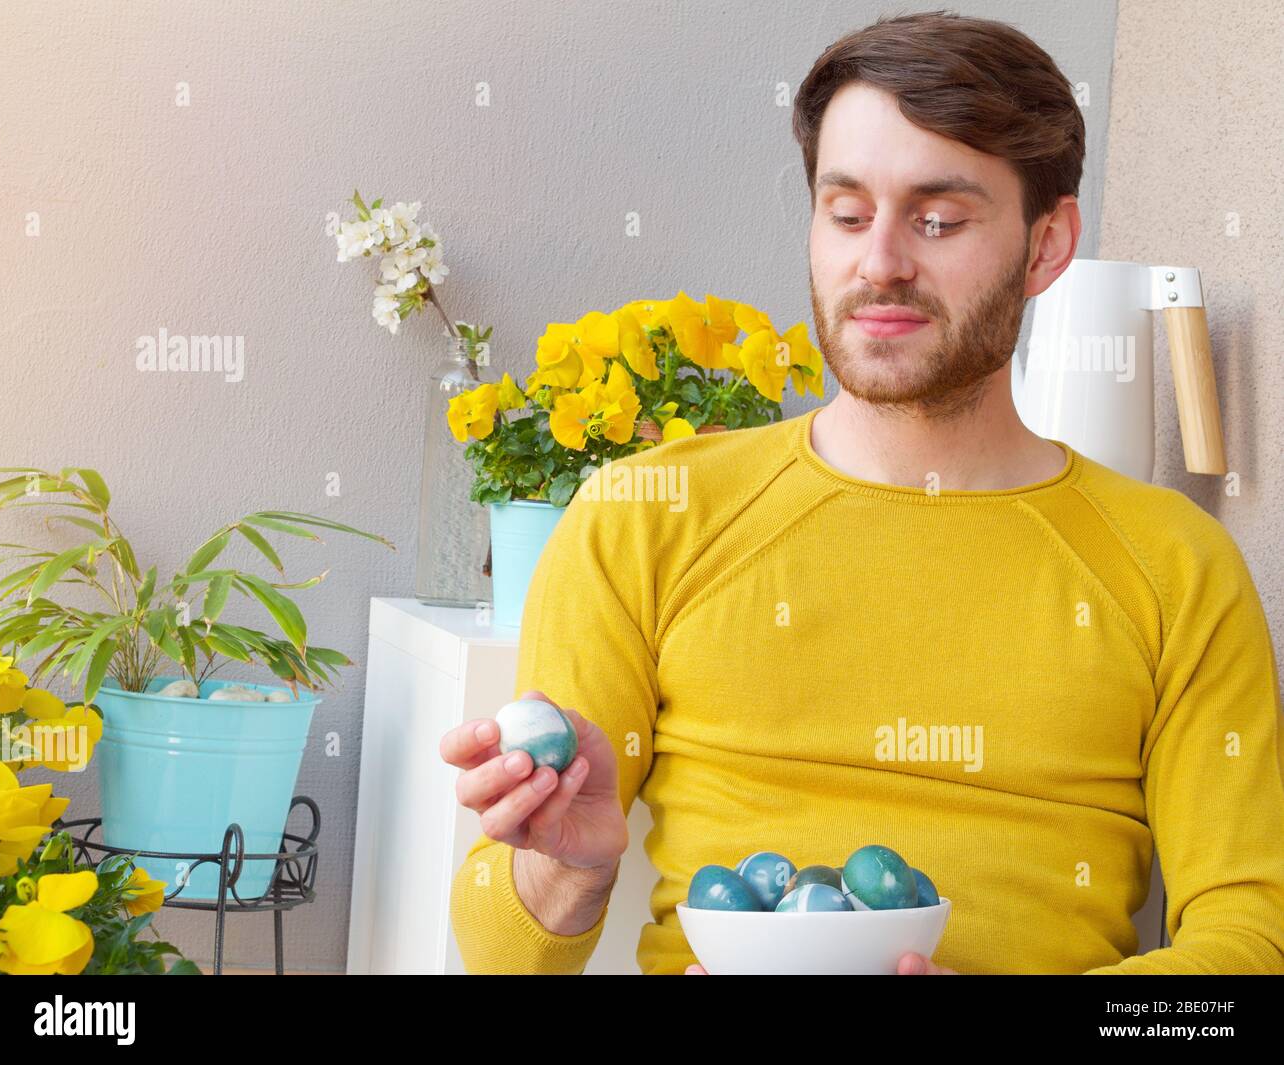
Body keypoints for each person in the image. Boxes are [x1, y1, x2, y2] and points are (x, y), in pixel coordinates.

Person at [441, 10, 1284, 974]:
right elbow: (497, 954)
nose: (879, 262)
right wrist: (566, 875)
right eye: (847, 213)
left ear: (1048, 245)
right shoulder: (646, 516)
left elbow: (1249, 949)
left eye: (938, 219)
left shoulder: (1176, 567)